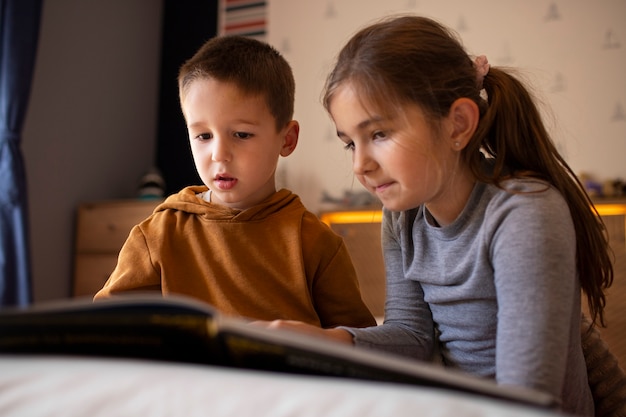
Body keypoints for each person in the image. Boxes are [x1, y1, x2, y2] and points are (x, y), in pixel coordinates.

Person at [264, 15, 614, 416]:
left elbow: (528, 399)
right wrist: (318, 341)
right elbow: (412, 336)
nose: (360, 165)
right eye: (350, 144)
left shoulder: (523, 214)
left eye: (378, 134)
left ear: (458, 125)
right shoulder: (402, 218)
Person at [94, 35, 376, 329]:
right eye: (203, 136)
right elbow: (107, 329)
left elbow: (356, 345)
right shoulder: (158, 234)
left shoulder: (317, 244)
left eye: (241, 134)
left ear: (287, 139)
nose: (219, 154)